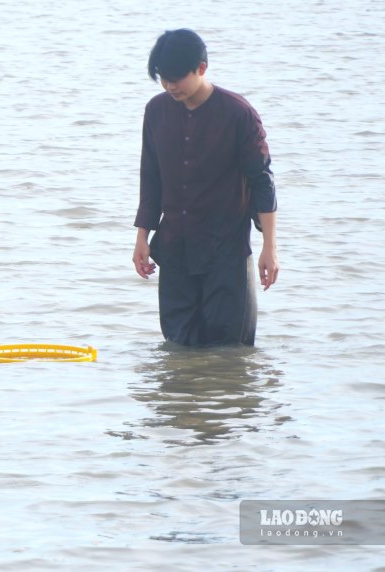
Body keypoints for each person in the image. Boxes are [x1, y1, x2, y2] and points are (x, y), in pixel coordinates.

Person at [132, 29, 280, 346]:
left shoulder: (239, 114)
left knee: (231, 350)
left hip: (225, 253)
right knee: (178, 348)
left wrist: (270, 246)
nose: (170, 86)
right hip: (174, 251)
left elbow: (262, 181)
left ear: (201, 68)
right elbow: (151, 177)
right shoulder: (156, 111)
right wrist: (142, 237)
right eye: (163, 78)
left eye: (177, 77)